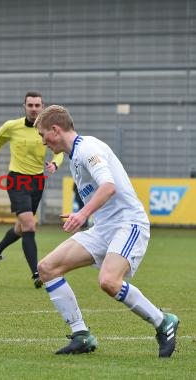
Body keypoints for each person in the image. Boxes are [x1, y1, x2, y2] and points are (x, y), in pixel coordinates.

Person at [34, 105, 179, 357]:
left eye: (43, 134)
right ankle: (81, 335)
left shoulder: (88, 148)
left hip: (128, 224)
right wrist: (85, 216)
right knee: (47, 268)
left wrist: (82, 214)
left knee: (109, 282)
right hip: (103, 228)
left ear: (55, 130)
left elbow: (109, 186)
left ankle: (163, 321)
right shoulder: (74, 156)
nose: (43, 141)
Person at [0, 91, 63, 288]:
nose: (34, 109)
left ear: (43, 108)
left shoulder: (48, 129)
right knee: (30, 225)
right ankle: (36, 273)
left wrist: (55, 164)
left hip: (37, 181)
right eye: (30, 105)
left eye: (37, 105)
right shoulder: (11, 126)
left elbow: (59, 150)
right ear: (24, 107)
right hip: (17, 179)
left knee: (22, 227)